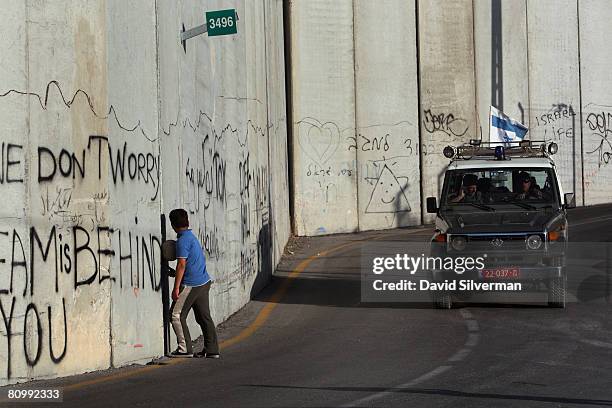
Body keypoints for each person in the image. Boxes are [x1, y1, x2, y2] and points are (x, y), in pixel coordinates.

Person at [169, 208, 220, 358]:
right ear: (187, 222)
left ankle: (184, 349)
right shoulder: (191, 237)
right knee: (204, 317)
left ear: (173, 225)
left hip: (192, 285)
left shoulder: (182, 241)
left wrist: (176, 288)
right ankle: (212, 350)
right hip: (204, 282)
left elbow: (182, 265)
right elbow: (189, 264)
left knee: (176, 315)